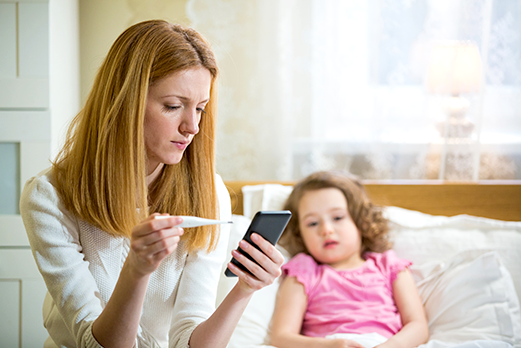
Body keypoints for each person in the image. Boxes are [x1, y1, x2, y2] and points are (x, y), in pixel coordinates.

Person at [20, 20, 284, 348]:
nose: (193, 127)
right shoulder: (49, 197)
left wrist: (245, 289)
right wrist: (137, 268)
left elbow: (190, 338)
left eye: (200, 109)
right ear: (124, 101)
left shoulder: (208, 192)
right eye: (173, 106)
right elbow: (94, 343)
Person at [270, 171, 429, 348]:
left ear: (361, 221)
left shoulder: (389, 266)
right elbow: (281, 336)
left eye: (338, 217)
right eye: (313, 223)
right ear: (300, 234)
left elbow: (418, 326)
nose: (326, 230)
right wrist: (329, 346)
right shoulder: (303, 271)